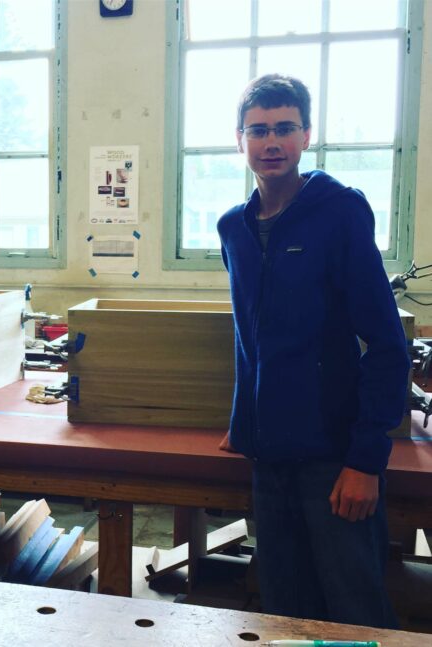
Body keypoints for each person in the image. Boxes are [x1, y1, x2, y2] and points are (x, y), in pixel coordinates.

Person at [217, 74, 410, 628]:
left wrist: (365, 461)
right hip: (269, 458)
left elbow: (386, 344)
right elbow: (249, 340)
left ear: (306, 136)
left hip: (334, 457)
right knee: (283, 608)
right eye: (258, 130)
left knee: (354, 611)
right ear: (240, 140)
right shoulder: (233, 228)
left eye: (284, 128)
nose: (271, 142)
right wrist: (244, 421)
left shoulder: (340, 212)